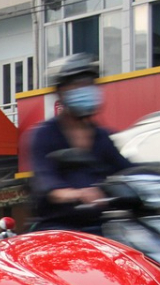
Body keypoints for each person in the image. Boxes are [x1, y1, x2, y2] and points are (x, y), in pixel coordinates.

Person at [28, 54, 133, 233]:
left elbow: (125, 170)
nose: (85, 90)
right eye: (77, 85)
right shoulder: (44, 135)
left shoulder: (101, 136)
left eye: (89, 84)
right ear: (61, 93)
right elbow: (47, 183)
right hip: (59, 229)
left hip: (102, 226)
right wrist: (78, 194)